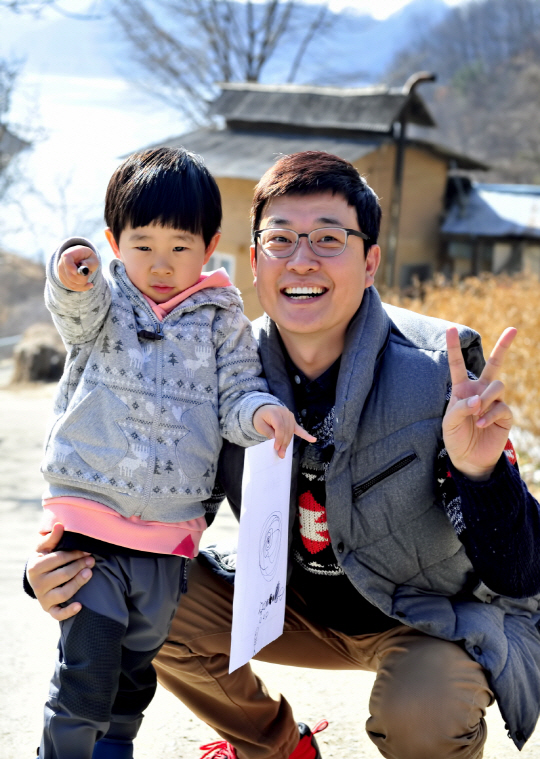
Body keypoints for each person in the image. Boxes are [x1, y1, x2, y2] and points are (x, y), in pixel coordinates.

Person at [27, 151, 540, 759]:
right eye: (281, 239)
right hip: (293, 606)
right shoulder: (221, 366)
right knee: (147, 599)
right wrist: (64, 569)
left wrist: (480, 473)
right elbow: (143, 497)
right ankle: (277, 748)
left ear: (371, 261)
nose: (302, 259)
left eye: (328, 238)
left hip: (422, 620)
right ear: (251, 260)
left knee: (422, 714)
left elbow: (522, 574)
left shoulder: (440, 372)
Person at [32, 146, 314, 759]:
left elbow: (238, 393)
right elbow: (73, 316)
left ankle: (115, 749)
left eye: (180, 248)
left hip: (169, 532)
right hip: (91, 520)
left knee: (134, 673)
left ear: (210, 247)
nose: (160, 266)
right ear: (114, 240)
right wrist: (69, 276)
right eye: (142, 246)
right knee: (89, 665)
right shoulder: (107, 300)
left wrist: (260, 414)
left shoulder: (222, 319)